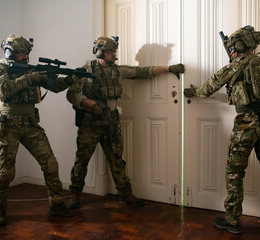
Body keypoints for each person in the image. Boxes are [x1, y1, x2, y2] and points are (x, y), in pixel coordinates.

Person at [184, 26, 260, 237]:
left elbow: (208, 87)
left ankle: (232, 220)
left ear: (238, 46)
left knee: (234, 172)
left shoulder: (236, 65)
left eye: (232, 48)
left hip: (246, 125)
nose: (231, 52)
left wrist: (193, 91)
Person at [67, 36, 184, 208]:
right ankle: (75, 194)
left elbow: (143, 72)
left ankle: (125, 193)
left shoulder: (118, 71)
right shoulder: (85, 70)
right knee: (82, 159)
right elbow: (72, 94)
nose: (114, 54)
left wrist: (168, 68)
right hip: (90, 122)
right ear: (100, 52)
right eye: (110, 52)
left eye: (114, 51)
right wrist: (91, 105)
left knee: (116, 159)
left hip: (111, 122)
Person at [0, 35, 75, 226]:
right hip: (8, 124)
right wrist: (30, 78)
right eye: (21, 52)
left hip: (30, 124)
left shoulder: (32, 69)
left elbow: (55, 86)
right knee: (6, 172)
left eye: (27, 53)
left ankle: (57, 203)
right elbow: (4, 90)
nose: (25, 56)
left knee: (50, 163)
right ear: (10, 51)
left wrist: (70, 79)